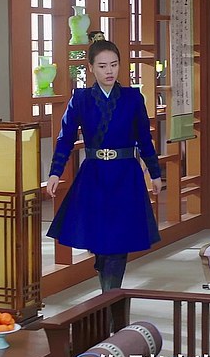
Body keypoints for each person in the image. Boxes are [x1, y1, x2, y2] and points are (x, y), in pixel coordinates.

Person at [46, 40, 162, 293]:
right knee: (100, 240)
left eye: (114, 64)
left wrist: (155, 173)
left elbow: (144, 138)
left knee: (118, 240)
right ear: (91, 68)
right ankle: (107, 292)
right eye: (102, 66)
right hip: (94, 175)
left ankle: (110, 296)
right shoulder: (81, 99)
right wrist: (55, 172)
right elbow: (65, 138)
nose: (109, 71)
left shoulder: (133, 98)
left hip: (126, 175)